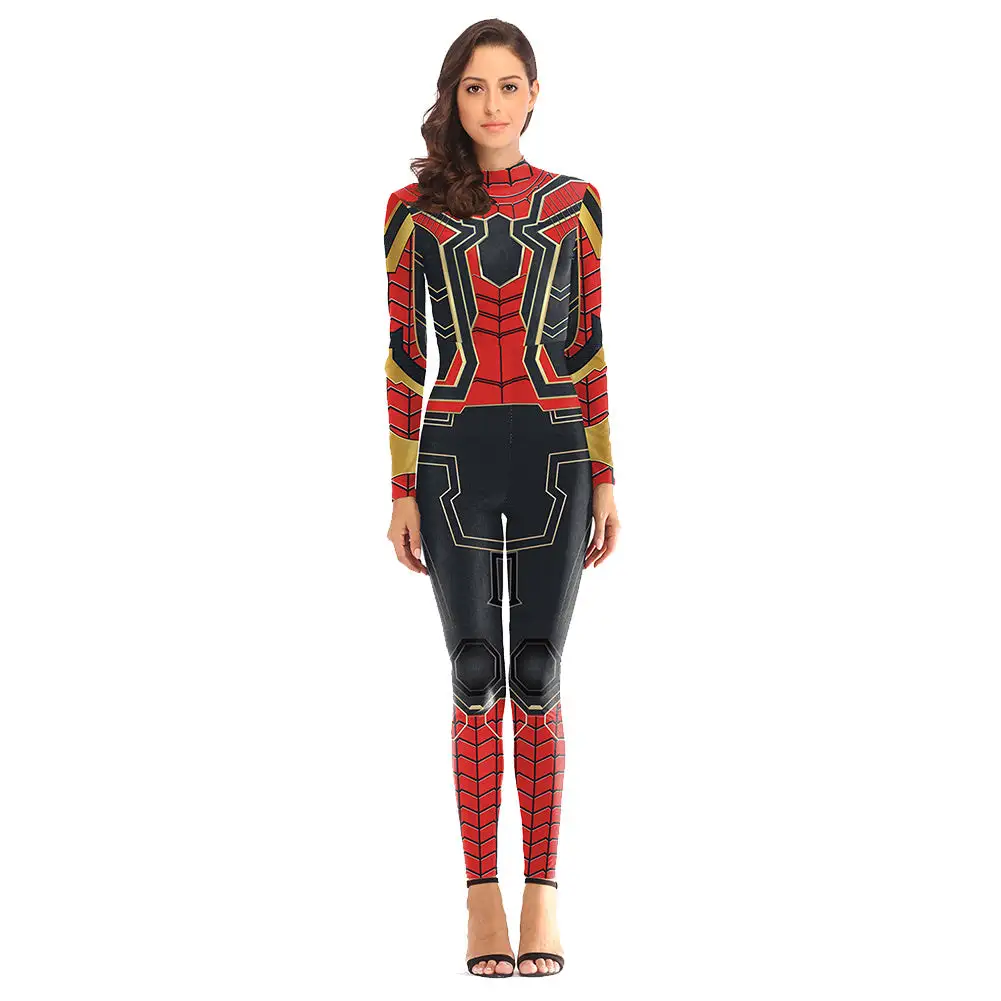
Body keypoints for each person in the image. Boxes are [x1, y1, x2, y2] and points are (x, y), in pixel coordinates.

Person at [382, 18, 621, 978]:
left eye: (508, 86)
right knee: (474, 672)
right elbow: (405, 352)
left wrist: (607, 472)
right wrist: (400, 486)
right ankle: (481, 895)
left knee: (538, 671)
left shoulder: (575, 203)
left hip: (557, 454)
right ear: (454, 96)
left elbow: (589, 343)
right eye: (474, 87)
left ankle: (543, 893)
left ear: (534, 95)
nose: (491, 104)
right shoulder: (411, 210)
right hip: (452, 457)